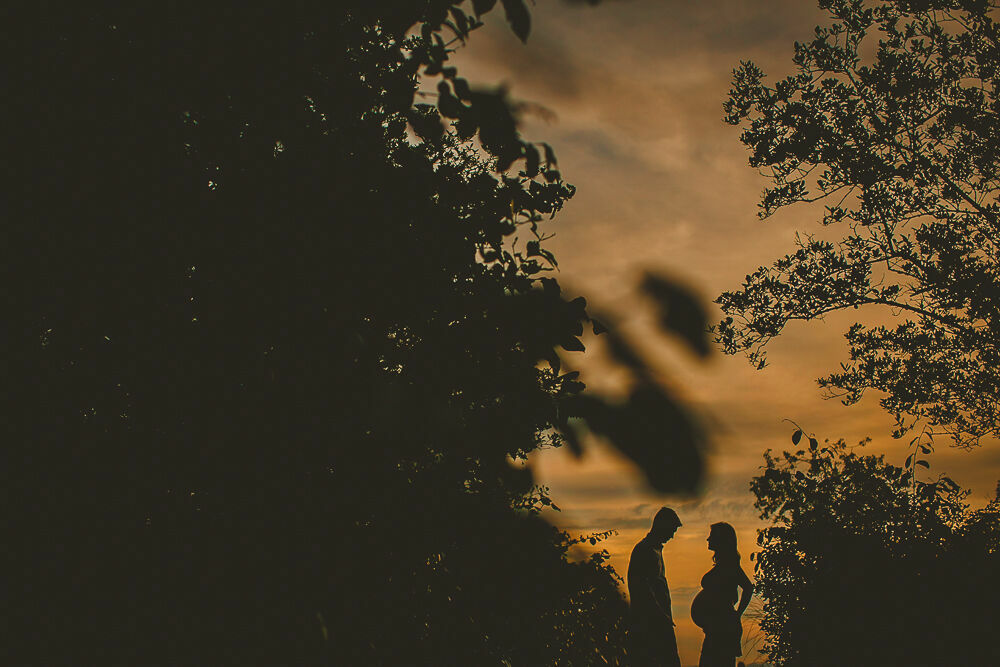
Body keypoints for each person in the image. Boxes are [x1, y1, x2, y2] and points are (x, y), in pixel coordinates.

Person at [692, 522, 754, 667]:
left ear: (721, 540)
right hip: (716, 628)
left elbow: (748, 588)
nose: (708, 539)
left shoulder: (730, 565)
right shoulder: (724, 564)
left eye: (711, 536)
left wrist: (737, 614)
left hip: (722, 630)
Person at [627, 507, 683, 667]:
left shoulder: (655, 550)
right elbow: (641, 589)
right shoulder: (644, 550)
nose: (672, 536)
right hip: (650, 624)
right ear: (662, 526)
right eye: (672, 530)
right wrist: (661, 616)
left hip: (659, 621)